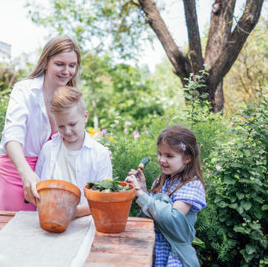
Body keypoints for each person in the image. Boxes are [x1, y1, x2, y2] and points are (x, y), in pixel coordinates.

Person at [0, 36, 81, 211]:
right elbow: (12, 136)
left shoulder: (71, 97)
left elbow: (74, 134)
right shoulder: (24, 90)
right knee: (15, 229)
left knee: (48, 231)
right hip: (14, 170)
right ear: (46, 62)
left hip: (50, 172)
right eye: (60, 64)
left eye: (72, 65)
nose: (66, 71)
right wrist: (26, 173)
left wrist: (95, 148)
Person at [125, 125, 206, 267]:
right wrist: (143, 189)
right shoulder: (161, 180)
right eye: (159, 153)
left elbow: (172, 219)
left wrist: (140, 193)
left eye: (169, 155)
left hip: (174, 256)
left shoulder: (192, 185)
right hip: (154, 251)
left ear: (187, 158)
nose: (161, 159)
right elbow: (152, 215)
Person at [35, 86, 112, 217]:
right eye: (61, 126)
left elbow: (104, 198)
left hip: (85, 223)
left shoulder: (100, 154)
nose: (67, 131)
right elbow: (38, 186)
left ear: (85, 116)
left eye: (72, 124)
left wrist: (73, 212)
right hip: (49, 219)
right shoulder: (48, 150)